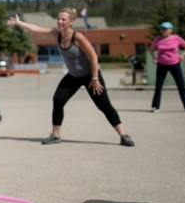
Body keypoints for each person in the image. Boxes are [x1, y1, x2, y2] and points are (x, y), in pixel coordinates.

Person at [8, 10, 135, 146]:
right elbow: (36, 29)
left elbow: (93, 56)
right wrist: (19, 22)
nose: (60, 21)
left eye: (63, 19)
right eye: (58, 19)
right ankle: (55, 135)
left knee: (104, 105)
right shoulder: (56, 34)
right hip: (73, 76)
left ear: (71, 22)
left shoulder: (77, 37)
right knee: (58, 100)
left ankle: (123, 135)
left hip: (90, 76)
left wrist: (95, 78)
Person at [150, 21, 185, 113]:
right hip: (161, 65)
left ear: (171, 30)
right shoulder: (158, 39)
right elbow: (151, 50)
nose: (164, 31)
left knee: (181, 85)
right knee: (158, 86)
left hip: (174, 64)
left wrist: (182, 55)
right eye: (162, 29)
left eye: (166, 29)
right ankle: (155, 106)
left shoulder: (176, 38)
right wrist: (154, 58)